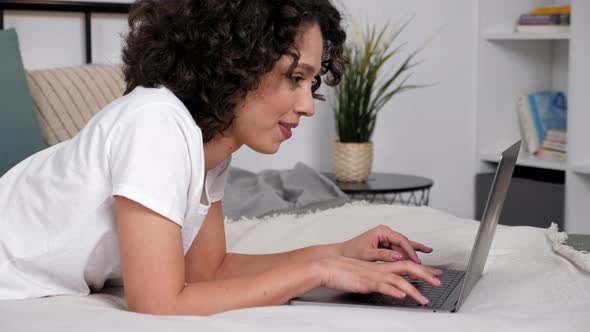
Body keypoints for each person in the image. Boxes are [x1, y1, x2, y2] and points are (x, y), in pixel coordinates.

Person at [0, 0, 442, 315]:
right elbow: (159, 302)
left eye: (312, 82)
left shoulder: (206, 145)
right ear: (237, 61)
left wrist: (340, 253)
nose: (308, 105)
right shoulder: (154, 122)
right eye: (294, 77)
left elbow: (209, 271)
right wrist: (320, 273)